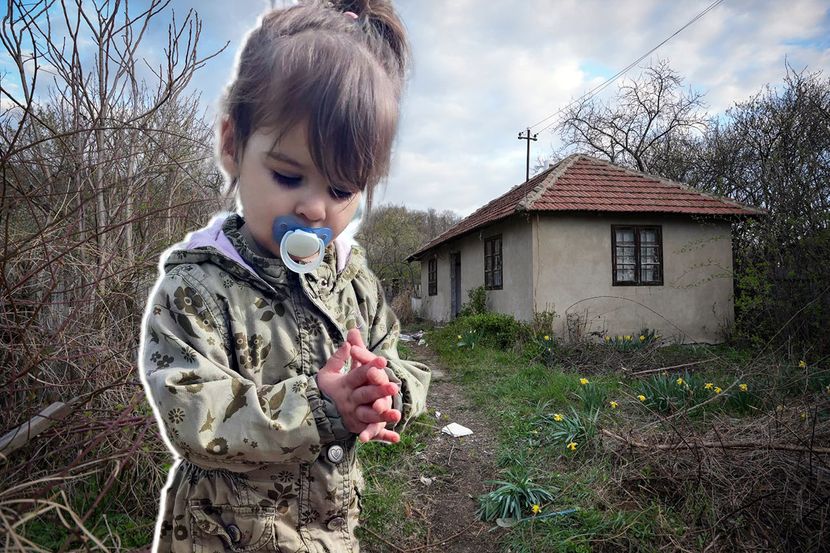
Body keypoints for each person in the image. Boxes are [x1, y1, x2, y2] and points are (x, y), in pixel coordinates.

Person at [137, 1, 430, 551]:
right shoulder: (198, 288)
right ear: (232, 145)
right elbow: (192, 417)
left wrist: (386, 393)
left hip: (332, 535)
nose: (317, 209)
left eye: (342, 190)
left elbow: (401, 359)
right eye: (288, 175)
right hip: (221, 538)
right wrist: (319, 404)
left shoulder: (353, 280)